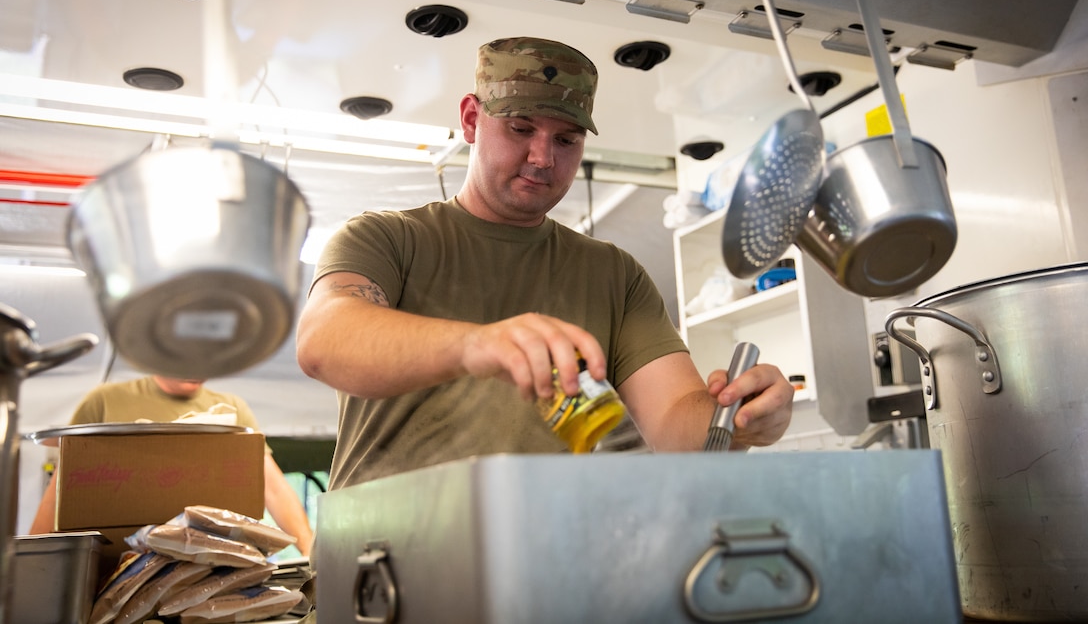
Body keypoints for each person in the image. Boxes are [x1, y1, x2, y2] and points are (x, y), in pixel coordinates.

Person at [295, 36, 795, 491]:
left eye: (566, 140)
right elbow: (324, 341)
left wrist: (740, 419)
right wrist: (475, 344)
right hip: (383, 565)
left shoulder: (614, 276)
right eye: (520, 128)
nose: (542, 157)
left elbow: (676, 428)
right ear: (471, 119)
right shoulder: (386, 239)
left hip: (538, 558)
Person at [28, 375, 314, 557]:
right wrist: (30, 560)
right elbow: (65, 487)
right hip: (115, 569)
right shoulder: (104, 401)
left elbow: (273, 487)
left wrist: (311, 551)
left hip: (209, 571)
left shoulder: (231, 409)